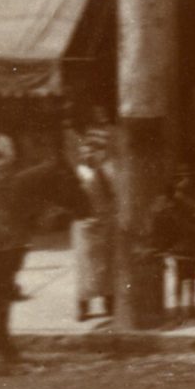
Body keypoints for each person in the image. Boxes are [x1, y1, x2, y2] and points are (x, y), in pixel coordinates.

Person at [71, 130, 118, 322]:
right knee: (85, 268)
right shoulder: (78, 174)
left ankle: (109, 302)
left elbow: (114, 195)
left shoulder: (107, 171)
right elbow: (71, 198)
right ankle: (83, 306)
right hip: (84, 225)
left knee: (106, 266)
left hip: (104, 222)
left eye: (92, 151)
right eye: (85, 152)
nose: (89, 155)